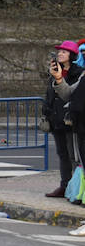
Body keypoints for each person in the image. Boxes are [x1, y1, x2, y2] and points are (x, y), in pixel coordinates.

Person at [46, 41, 84, 199]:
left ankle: (75, 189)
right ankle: (68, 186)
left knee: (74, 155)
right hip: (57, 119)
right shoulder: (58, 73)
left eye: (64, 52)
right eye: (59, 52)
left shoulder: (78, 72)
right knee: (63, 154)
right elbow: (63, 93)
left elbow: (73, 97)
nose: (60, 54)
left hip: (72, 121)